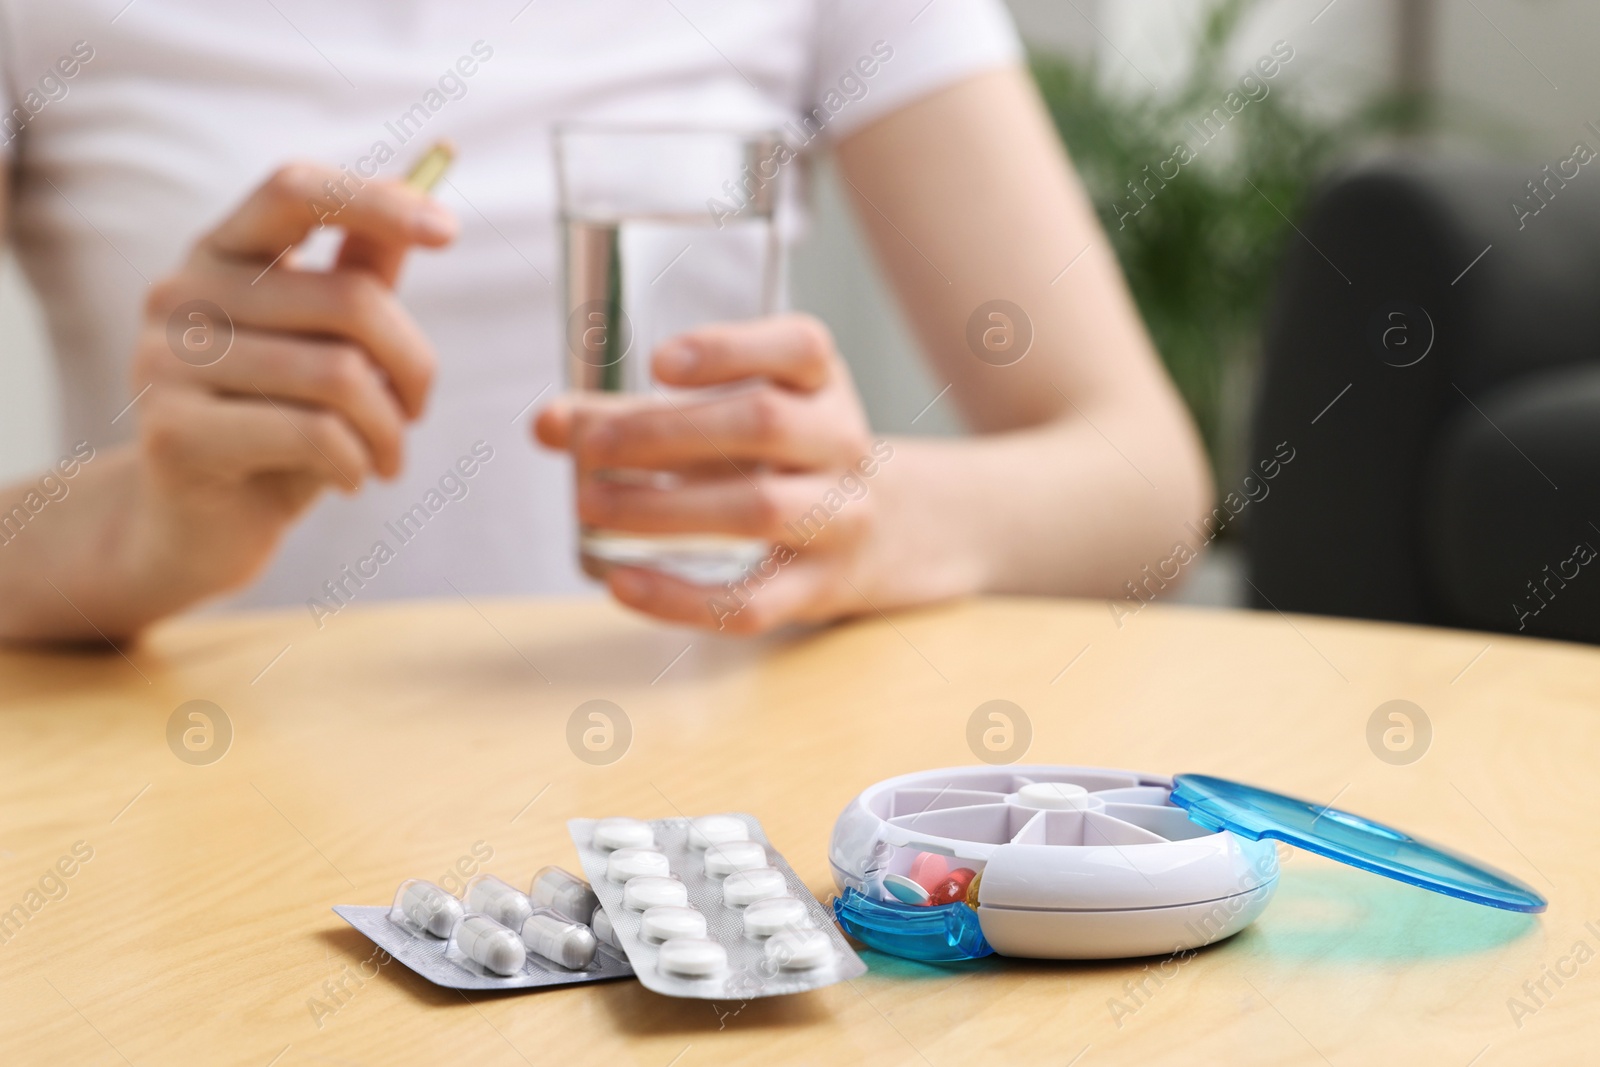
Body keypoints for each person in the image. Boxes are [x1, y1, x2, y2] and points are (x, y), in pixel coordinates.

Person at [0, 0, 1210, 642]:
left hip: (701, 846)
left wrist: (861, 513)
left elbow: (1144, 485)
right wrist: (136, 533)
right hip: (201, 843)